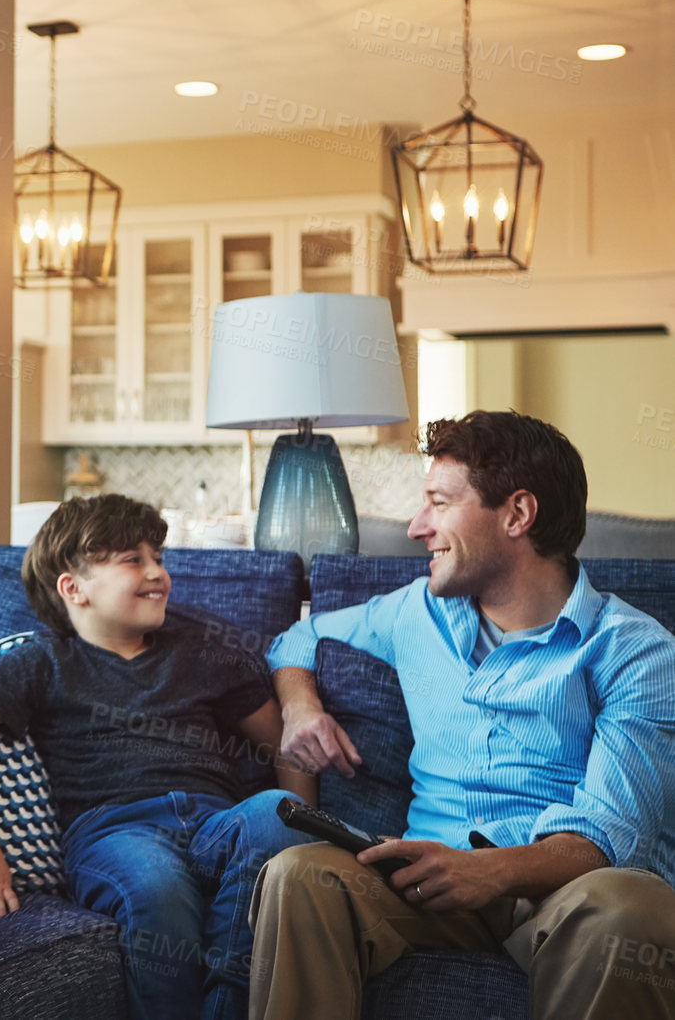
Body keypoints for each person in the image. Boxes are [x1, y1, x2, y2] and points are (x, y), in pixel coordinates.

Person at [251, 410, 675, 1020]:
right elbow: (298, 639)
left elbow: (606, 837)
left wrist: (489, 870)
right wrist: (300, 708)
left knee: (631, 905)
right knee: (300, 874)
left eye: (438, 503)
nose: (417, 526)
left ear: (517, 514)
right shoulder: (414, 612)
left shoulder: (636, 650)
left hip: (561, 892)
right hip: (425, 882)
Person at [0, 493, 316, 1020]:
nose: (157, 572)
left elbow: (287, 746)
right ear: (73, 589)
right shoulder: (44, 659)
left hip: (216, 823)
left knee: (276, 814)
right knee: (157, 888)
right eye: (132, 560)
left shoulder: (202, 652)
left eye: (158, 558)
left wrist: (306, 828)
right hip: (116, 831)